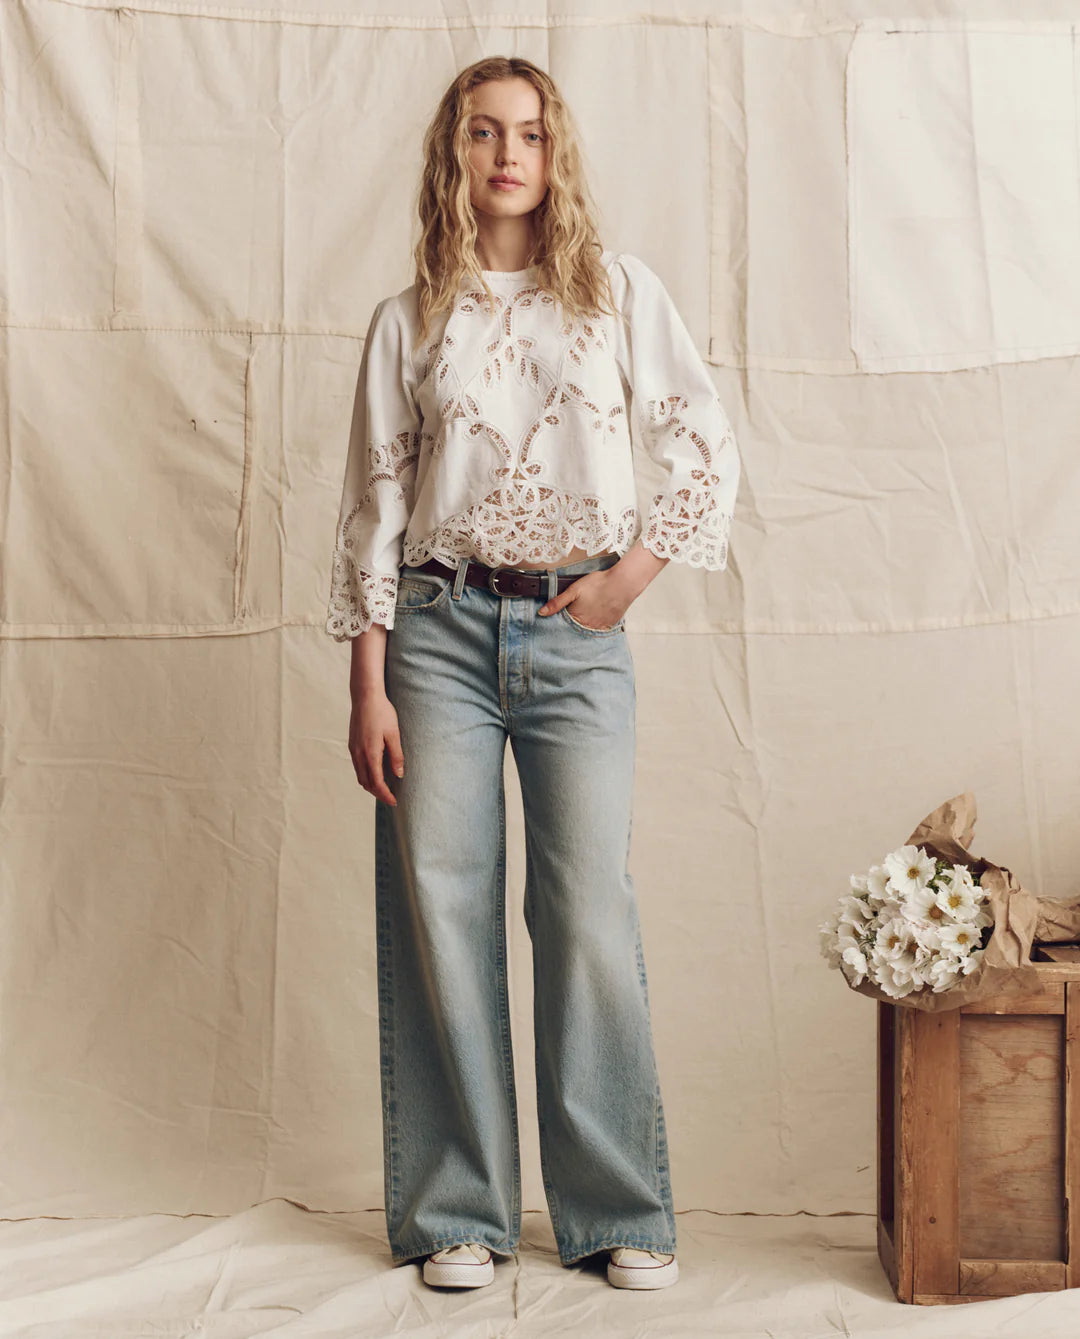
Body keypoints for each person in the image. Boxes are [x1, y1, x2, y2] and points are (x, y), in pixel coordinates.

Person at [325, 55, 740, 1293]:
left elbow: (705, 446)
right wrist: (367, 682)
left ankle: (620, 1210)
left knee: (586, 912)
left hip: (575, 637)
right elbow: (373, 510)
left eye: (532, 135)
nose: (508, 155)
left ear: (558, 158)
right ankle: (460, 1207)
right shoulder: (409, 319)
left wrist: (624, 584)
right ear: (451, 156)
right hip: (438, 633)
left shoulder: (615, 295)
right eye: (483, 135)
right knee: (440, 909)